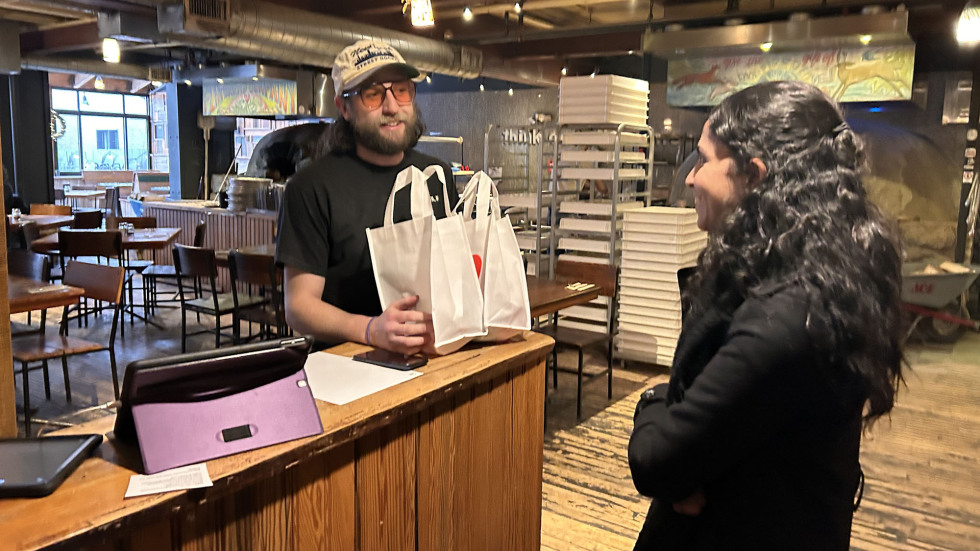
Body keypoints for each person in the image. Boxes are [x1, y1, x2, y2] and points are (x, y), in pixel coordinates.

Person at [628, 81, 905, 550]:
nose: (692, 178)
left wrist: (651, 403)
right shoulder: (812, 270)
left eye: (704, 160)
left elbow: (657, 459)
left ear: (753, 176)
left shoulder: (791, 317)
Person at [276, 39, 459, 354]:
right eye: (373, 94)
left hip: (438, 361)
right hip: (349, 368)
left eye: (401, 90)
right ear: (344, 107)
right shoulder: (310, 187)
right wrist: (371, 329)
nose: (391, 107)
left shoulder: (436, 175)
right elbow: (299, 306)